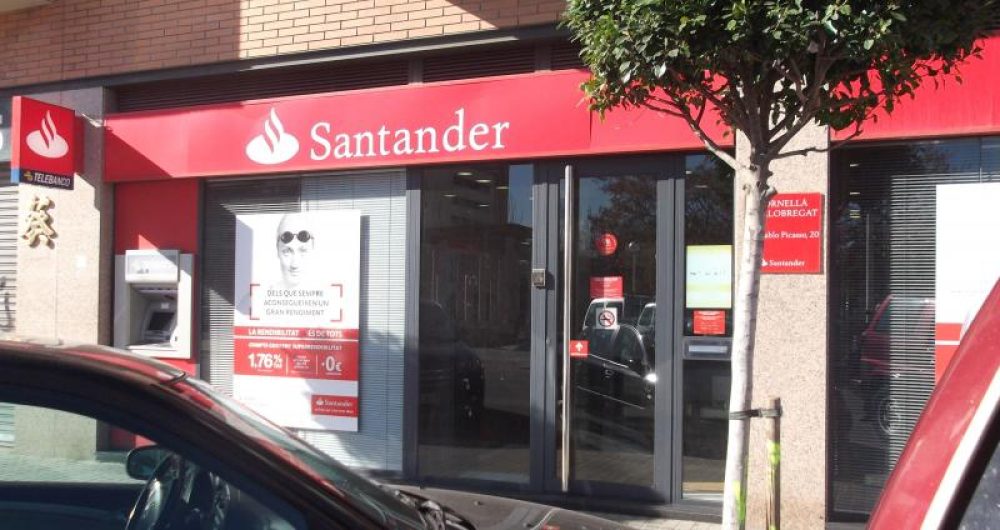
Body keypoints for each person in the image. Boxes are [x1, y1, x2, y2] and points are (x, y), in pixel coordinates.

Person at [273, 213, 316, 290]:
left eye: (303, 251)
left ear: (313, 249)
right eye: (287, 252)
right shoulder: (261, 295)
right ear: (277, 250)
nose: (295, 264)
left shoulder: (329, 295)